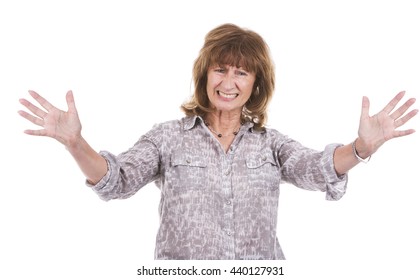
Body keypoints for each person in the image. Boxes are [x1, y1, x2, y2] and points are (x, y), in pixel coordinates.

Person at [18, 23, 417, 260]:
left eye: (241, 73)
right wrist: (75, 143)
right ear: (204, 75)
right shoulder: (167, 138)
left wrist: (361, 147)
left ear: (256, 83)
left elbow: (317, 169)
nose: (229, 82)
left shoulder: (270, 144)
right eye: (220, 69)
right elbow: (116, 180)